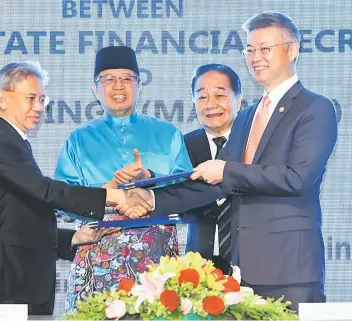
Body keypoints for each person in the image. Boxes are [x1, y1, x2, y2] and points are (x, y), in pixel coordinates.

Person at [124, 12, 337, 311]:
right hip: (242, 277)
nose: (255, 58)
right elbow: (211, 183)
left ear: (292, 50)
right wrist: (150, 197)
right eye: (250, 50)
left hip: (291, 271)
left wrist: (225, 169)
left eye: (265, 49)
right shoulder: (248, 116)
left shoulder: (316, 107)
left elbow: (297, 178)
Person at [0, 60, 149, 315]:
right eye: (31, 98)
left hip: (20, 281)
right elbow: (45, 191)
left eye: (42, 99)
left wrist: (73, 237)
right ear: (3, 99)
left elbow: (22, 217)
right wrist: (111, 196)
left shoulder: (12, 140)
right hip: (3, 284)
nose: (38, 107)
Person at [54, 46, 193, 312]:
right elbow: (61, 201)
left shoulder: (168, 134)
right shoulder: (79, 139)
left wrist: (149, 179)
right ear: (96, 89)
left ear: (139, 85)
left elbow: (187, 190)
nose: (119, 85)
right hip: (96, 258)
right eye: (109, 79)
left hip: (156, 266)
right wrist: (108, 191)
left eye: (127, 78)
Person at [183, 64, 241, 271]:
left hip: (252, 261)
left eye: (219, 95)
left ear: (238, 99)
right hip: (199, 264)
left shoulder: (253, 143)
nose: (210, 104)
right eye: (202, 97)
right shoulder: (183, 146)